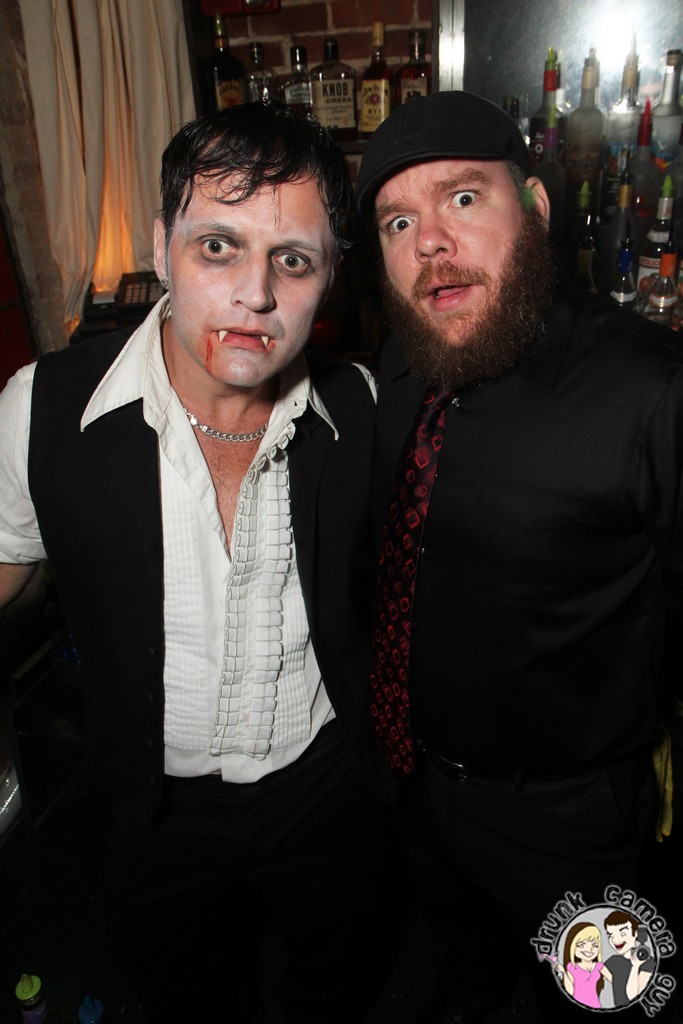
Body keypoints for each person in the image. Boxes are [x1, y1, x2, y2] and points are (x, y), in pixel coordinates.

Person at [0, 102, 395, 1024]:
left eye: (292, 260)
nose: (254, 295)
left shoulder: (365, 408)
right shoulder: (42, 410)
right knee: (183, 992)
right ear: (161, 245)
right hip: (150, 803)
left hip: (325, 788)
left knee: (338, 981)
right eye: (218, 247)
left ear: (330, 276)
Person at [355, 90, 682, 1023]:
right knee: (462, 972)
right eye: (398, 222)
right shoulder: (396, 371)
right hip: (417, 791)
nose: (430, 241)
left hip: (568, 828)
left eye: (463, 198)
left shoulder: (650, 392)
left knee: (617, 1007)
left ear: (534, 207)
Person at [604, 910, 656, 1005]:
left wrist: (635, 966)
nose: (615, 940)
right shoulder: (613, 961)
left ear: (635, 934)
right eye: (610, 935)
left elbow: (633, 996)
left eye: (622, 934)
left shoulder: (648, 962)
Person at [559, 922, 612, 1009]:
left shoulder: (599, 966)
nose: (589, 949)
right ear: (572, 946)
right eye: (581, 945)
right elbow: (570, 992)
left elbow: (614, 980)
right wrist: (563, 972)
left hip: (595, 1005)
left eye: (595, 945)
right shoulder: (572, 967)